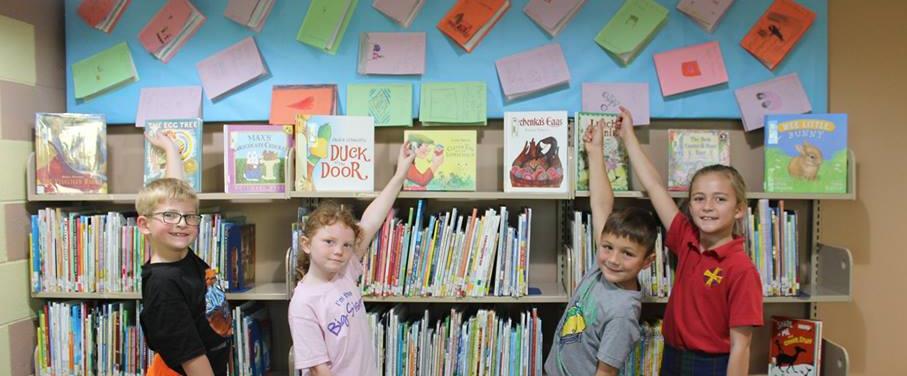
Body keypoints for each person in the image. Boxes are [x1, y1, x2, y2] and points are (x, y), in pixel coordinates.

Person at [618, 106, 763, 376]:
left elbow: (741, 347)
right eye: (699, 198)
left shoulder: (741, 270)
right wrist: (628, 136)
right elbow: (655, 187)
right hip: (672, 356)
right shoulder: (687, 238)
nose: (707, 206)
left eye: (720, 199)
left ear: (739, 209)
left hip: (711, 365)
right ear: (691, 205)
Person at [545, 110, 660, 375]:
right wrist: (594, 151)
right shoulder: (604, 264)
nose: (614, 259)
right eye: (607, 247)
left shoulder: (622, 312)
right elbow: (600, 204)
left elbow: (606, 373)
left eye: (628, 254)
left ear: (648, 261)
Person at [289, 143, 415, 375]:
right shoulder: (303, 303)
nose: (339, 251)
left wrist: (400, 175)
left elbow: (370, 222)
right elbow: (319, 370)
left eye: (347, 245)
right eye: (329, 242)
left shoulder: (344, 270)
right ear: (306, 244)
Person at [139, 132, 233, 376]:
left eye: (190, 217)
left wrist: (170, 148)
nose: (182, 223)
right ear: (144, 224)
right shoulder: (163, 287)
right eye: (170, 216)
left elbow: (176, 194)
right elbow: (191, 356)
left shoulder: (179, 255)